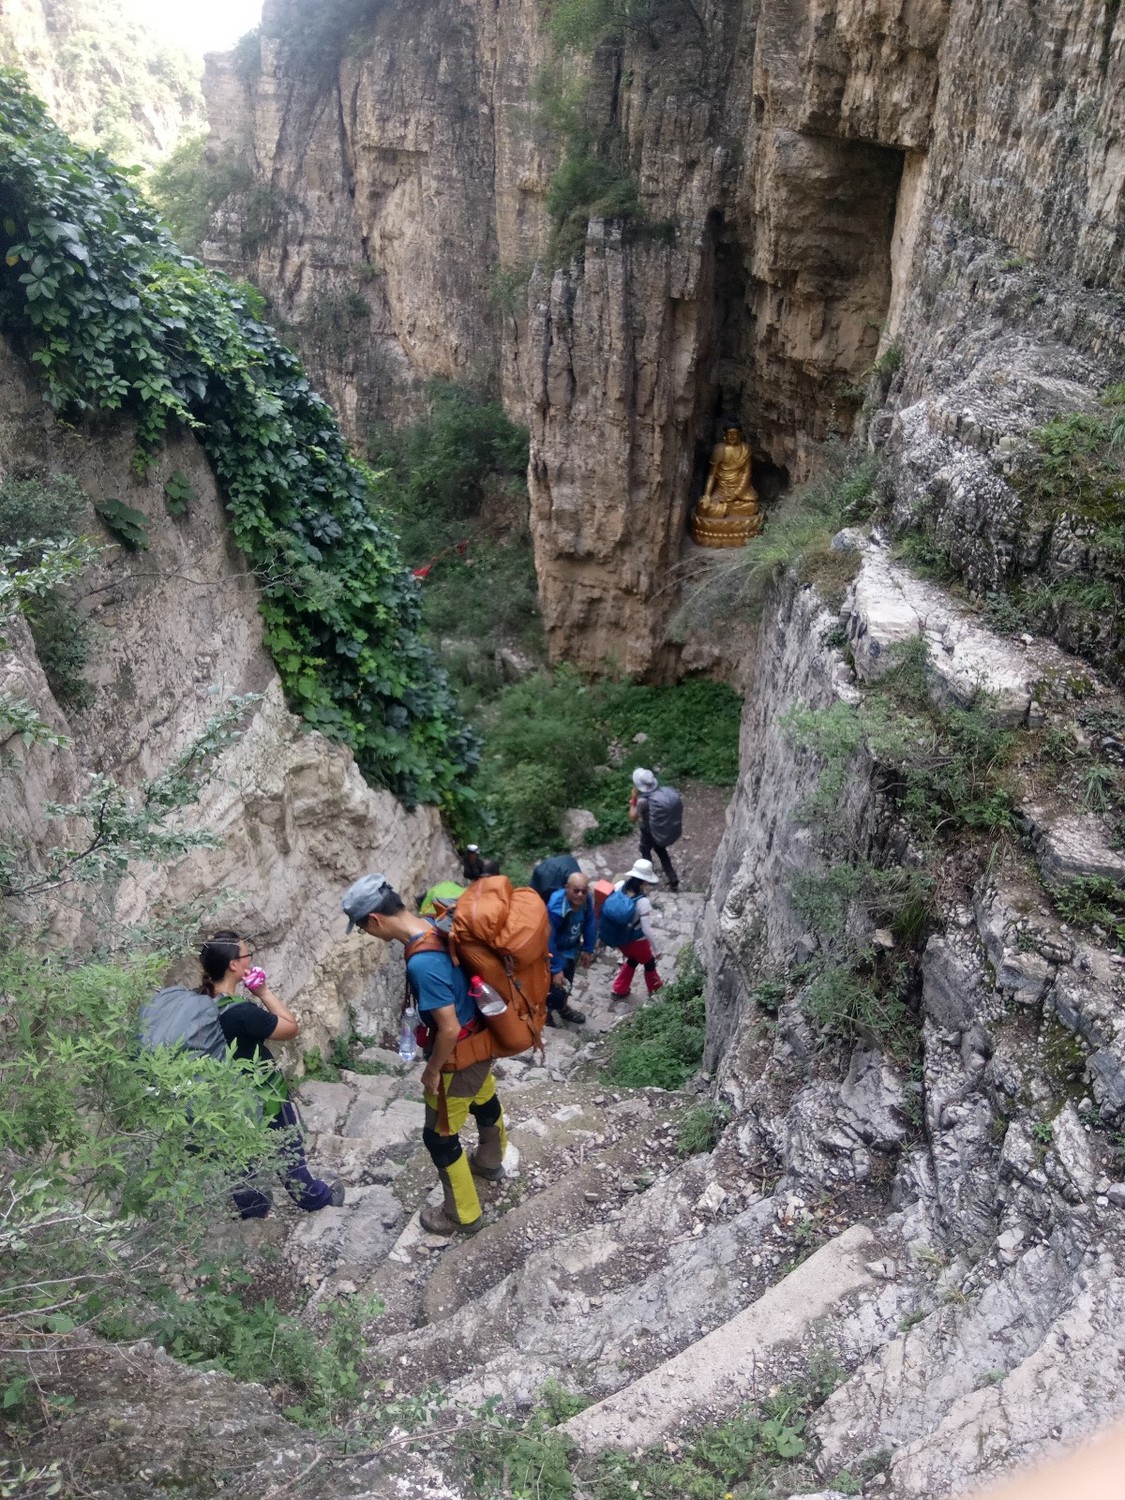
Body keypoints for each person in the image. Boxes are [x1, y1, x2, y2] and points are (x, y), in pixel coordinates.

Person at [341, 873, 507, 1237]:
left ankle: (462, 1215)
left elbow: (446, 1028)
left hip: (458, 1057)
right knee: (483, 1097)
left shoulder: (422, 963)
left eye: (364, 929)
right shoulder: (435, 921)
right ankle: (491, 1162)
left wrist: (432, 1070)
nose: (369, 935)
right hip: (481, 1041)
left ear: (375, 920)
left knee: (440, 1137)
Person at [198, 931, 344, 1219]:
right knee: (288, 1148)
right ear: (233, 966)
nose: (249, 958)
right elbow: (290, 1028)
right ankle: (313, 1197)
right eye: (245, 955)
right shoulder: (240, 1013)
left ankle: (254, 1207)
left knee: (238, 1154)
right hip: (264, 1095)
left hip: (223, 1099)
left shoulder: (198, 1004)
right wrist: (262, 992)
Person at [609, 860, 664, 998]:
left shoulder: (619, 886)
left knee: (633, 960)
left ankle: (619, 989)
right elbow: (646, 930)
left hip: (619, 938)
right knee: (649, 963)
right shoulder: (642, 902)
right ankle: (656, 991)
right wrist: (657, 949)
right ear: (644, 882)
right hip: (637, 941)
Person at [546, 871, 595, 1027]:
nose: (580, 895)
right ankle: (545, 1014)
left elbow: (590, 923)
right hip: (555, 952)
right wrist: (556, 968)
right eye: (576, 890)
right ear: (567, 888)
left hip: (571, 949)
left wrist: (588, 949)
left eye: (584, 891)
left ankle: (562, 1008)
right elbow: (548, 938)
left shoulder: (586, 901)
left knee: (568, 984)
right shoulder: (556, 908)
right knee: (554, 987)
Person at [629, 768, 680, 891]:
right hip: (660, 830)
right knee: (661, 851)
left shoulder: (642, 801)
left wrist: (632, 801)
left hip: (648, 831)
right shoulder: (660, 793)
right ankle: (672, 877)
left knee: (645, 850)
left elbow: (633, 817)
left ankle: (647, 875)